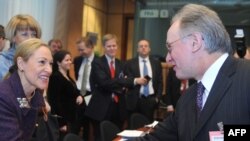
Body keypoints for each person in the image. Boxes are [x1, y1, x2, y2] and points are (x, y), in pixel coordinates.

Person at [133, 3, 250, 141]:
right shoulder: (187, 99)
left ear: (195, 42)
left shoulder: (246, 78)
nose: (168, 58)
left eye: (170, 48)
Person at [85, 33, 147, 141]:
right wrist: (131, 81)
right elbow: (105, 83)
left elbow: (128, 82)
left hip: (118, 107)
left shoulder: (121, 64)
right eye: (109, 46)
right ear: (104, 47)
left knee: (116, 137)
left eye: (114, 45)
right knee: (101, 137)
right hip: (101, 108)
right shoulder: (97, 63)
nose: (112, 48)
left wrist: (127, 82)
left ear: (117, 46)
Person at [0, 38, 53, 141]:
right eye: (42, 62)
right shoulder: (3, 97)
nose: (49, 70)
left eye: (50, 63)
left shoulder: (34, 94)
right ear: (21, 64)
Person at [47, 50, 84, 141]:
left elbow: (73, 91)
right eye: (66, 60)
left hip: (72, 117)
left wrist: (79, 96)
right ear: (59, 62)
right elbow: (54, 101)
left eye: (70, 60)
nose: (70, 62)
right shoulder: (56, 77)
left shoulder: (67, 76)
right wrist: (61, 123)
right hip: (64, 120)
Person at [124, 39, 163, 122]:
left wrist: (157, 98)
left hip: (150, 100)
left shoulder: (156, 63)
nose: (143, 48)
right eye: (141, 46)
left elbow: (160, 82)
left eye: (146, 46)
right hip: (135, 100)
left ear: (149, 49)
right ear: (137, 49)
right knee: (134, 127)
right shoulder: (129, 63)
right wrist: (136, 81)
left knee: (148, 128)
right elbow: (126, 81)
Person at [0, 14, 42, 80]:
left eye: (33, 34)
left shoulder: (39, 60)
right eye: (25, 34)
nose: (30, 39)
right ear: (13, 37)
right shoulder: (2, 61)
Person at [73, 36, 98, 141]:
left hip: (91, 95)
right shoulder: (77, 60)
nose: (80, 52)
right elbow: (77, 77)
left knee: (89, 124)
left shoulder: (99, 62)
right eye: (78, 49)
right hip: (78, 94)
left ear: (91, 47)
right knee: (76, 123)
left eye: (82, 49)